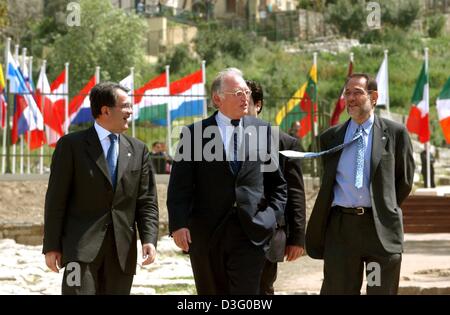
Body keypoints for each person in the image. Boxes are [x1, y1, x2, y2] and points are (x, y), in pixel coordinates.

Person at [167, 68, 287, 295]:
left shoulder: (263, 131)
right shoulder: (193, 135)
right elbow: (179, 187)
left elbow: (278, 185)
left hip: (251, 232)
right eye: (237, 93)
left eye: (246, 92)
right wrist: (179, 224)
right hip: (207, 234)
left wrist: (270, 217)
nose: (245, 98)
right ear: (217, 99)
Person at [43, 82, 159, 295]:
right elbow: (56, 200)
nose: (130, 111)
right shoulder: (71, 146)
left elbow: (147, 201)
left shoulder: (139, 150)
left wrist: (149, 239)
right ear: (105, 110)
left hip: (121, 254)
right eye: (125, 106)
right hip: (78, 251)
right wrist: (51, 246)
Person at [305, 73, 415, 295]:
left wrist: (384, 205)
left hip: (379, 232)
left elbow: (403, 181)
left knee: (378, 290)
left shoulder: (395, 134)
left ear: (373, 97)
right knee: (338, 291)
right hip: (342, 233)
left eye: (358, 92)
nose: (351, 98)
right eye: (347, 93)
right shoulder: (331, 137)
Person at [245, 80, 306, 295]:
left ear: (258, 105)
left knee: (262, 290)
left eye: (246, 101)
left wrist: (297, 237)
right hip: (229, 234)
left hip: (268, 233)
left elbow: (295, 192)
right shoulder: (219, 140)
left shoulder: (284, 143)